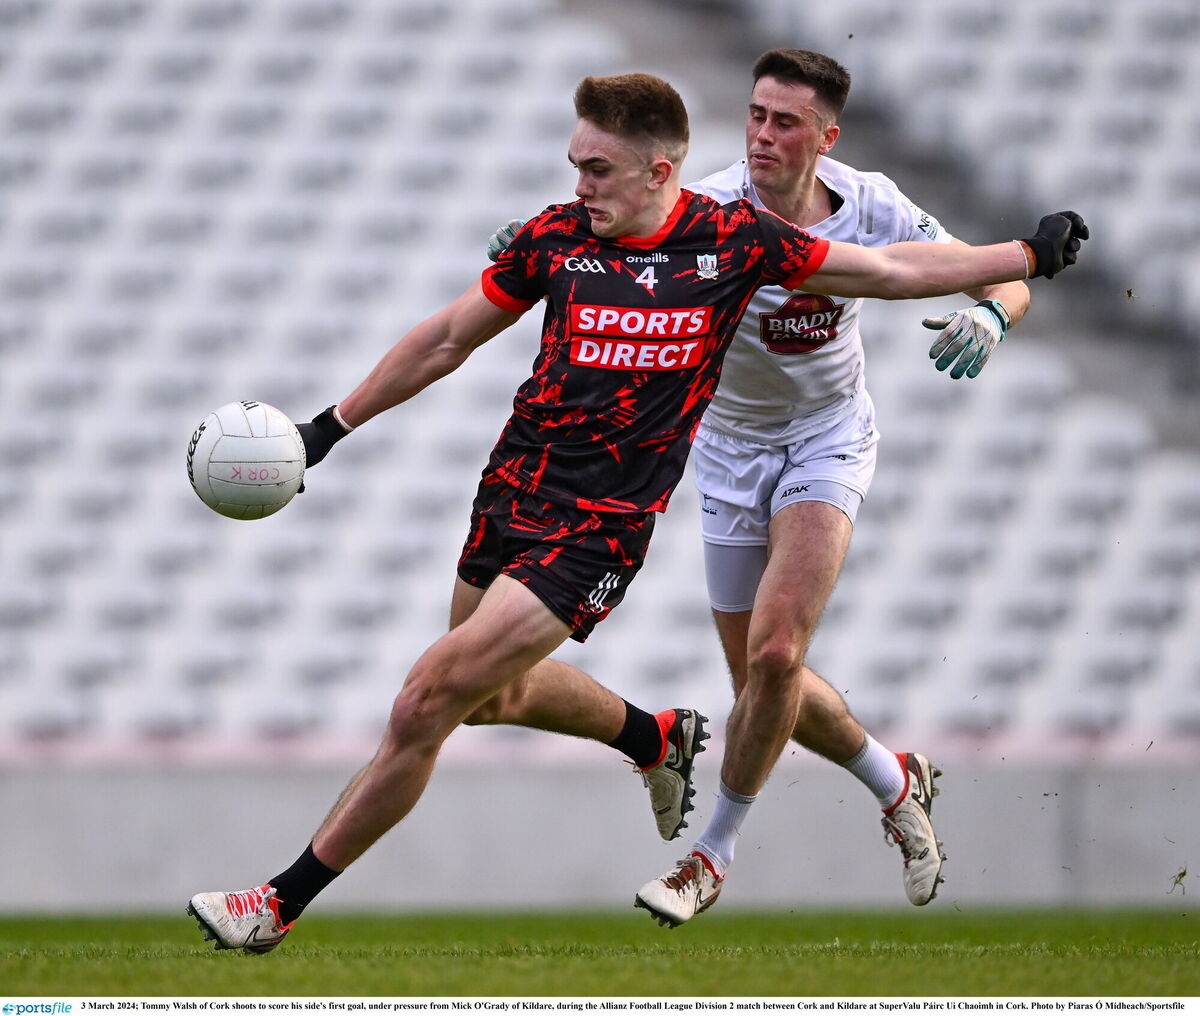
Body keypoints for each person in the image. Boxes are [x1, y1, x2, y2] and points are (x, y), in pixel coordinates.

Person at [187, 70, 1085, 954]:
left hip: (601, 523)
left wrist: (1024, 261)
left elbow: (888, 269)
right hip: (513, 492)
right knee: (492, 697)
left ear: (659, 172)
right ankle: (653, 736)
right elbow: (448, 337)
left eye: (598, 171)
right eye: (575, 165)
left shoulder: (736, 240)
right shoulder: (557, 237)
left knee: (427, 699)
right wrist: (324, 430)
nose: (578, 187)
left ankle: (278, 901)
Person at [483, 49, 1044, 925]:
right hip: (730, 451)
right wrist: (529, 248)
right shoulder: (707, 209)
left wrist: (992, 312)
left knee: (778, 654)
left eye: (784, 121)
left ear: (828, 136)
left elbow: (993, 272)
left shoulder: (874, 203)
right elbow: (610, 231)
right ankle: (897, 781)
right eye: (754, 114)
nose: (761, 136)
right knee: (761, 682)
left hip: (827, 441)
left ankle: (712, 856)